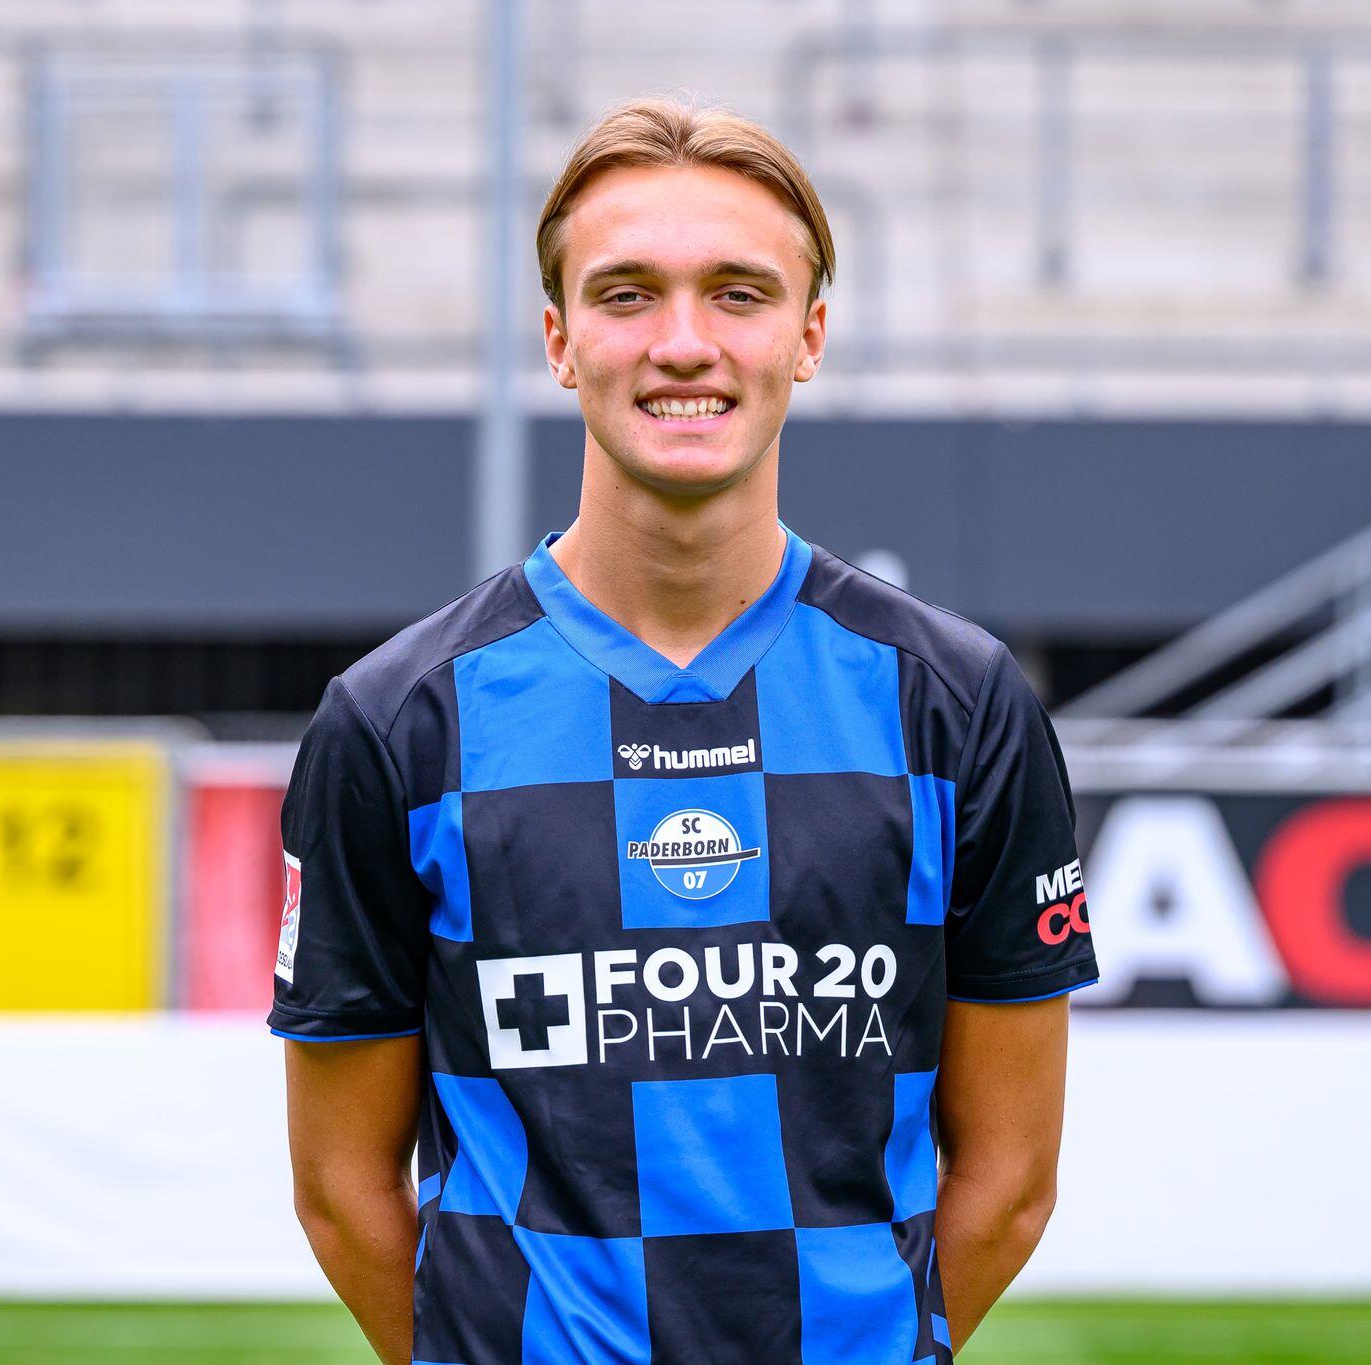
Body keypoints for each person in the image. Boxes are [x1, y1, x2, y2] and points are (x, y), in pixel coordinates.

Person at [272, 95, 1098, 1365]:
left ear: (807, 335)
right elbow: (340, 1188)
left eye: (736, 294)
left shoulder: (955, 701)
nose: (681, 344)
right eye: (625, 296)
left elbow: (1011, 1178)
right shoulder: (396, 720)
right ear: (558, 339)